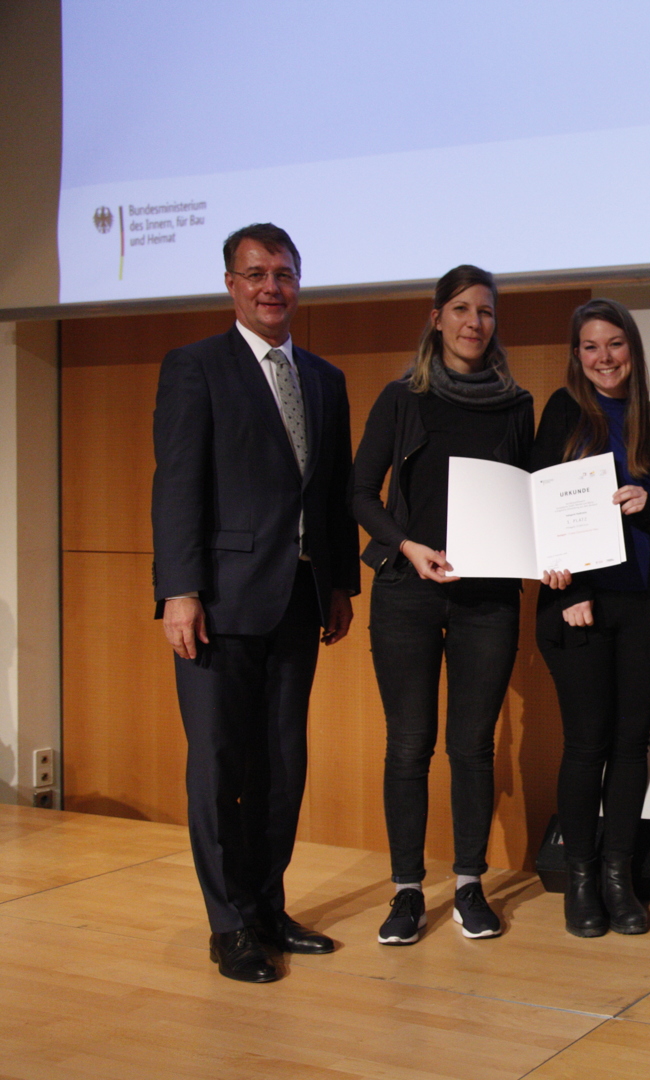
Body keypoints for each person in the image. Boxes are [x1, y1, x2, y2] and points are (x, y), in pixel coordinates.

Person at [152, 223, 359, 983]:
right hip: (218, 602)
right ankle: (230, 923)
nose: (272, 287)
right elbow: (176, 484)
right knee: (219, 766)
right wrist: (179, 590)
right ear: (231, 285)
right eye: (256, 273)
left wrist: (339, 584)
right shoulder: (196, 366)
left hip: (299, 601)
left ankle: (268, 906)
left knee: (281, 764)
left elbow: (331, 493)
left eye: (284, 273)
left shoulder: (325, 379)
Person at [350, 265, 532, 946]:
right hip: (408, 591)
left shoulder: (517, 405)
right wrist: (408, 545)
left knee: (473, 746)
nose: (473, 323)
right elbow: (360, 492)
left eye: (485, 311)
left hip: (489, 599)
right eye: (460, 309)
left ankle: (468, 885)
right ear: (436, 319)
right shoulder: (402, 398)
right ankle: (406, 892)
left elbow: (529, 498)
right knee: (409, 744)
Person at [532, 299, 650, 937]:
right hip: (580, 604)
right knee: (586, 743)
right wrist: (571, 591)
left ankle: (619, 875)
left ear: (632, 349)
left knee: (629, 745)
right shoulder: (563, 412)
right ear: (577, 355)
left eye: (614, 344)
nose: (604, 358)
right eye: (590, 346)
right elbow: (540, 505)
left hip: (645, 603)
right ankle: (581, 877)